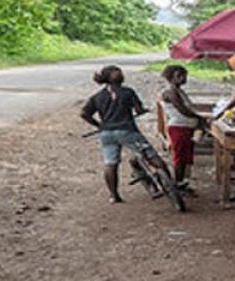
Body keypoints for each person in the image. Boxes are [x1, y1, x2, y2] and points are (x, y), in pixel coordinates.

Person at [80, 65, 149, 203]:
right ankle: (172, 184)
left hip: (107, 134)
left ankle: (113, 195)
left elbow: (84, 113)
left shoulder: (97, 97)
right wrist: (142, 111)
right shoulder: (128, 92)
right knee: (150, 154)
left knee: (110, 163)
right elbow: (139, 110)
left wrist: (99, 125)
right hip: (127, 130)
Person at [159, 64, 207, 191]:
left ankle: (183, 182)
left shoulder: (179, 91)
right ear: (172, 77)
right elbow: (182, 109)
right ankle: (177, 183)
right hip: (178, 127)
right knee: (180, 157)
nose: (184, 78)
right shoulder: (170, 92)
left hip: (187, 127)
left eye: (184, 75)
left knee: (187, 157)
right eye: (180, 76)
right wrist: (200, 118)